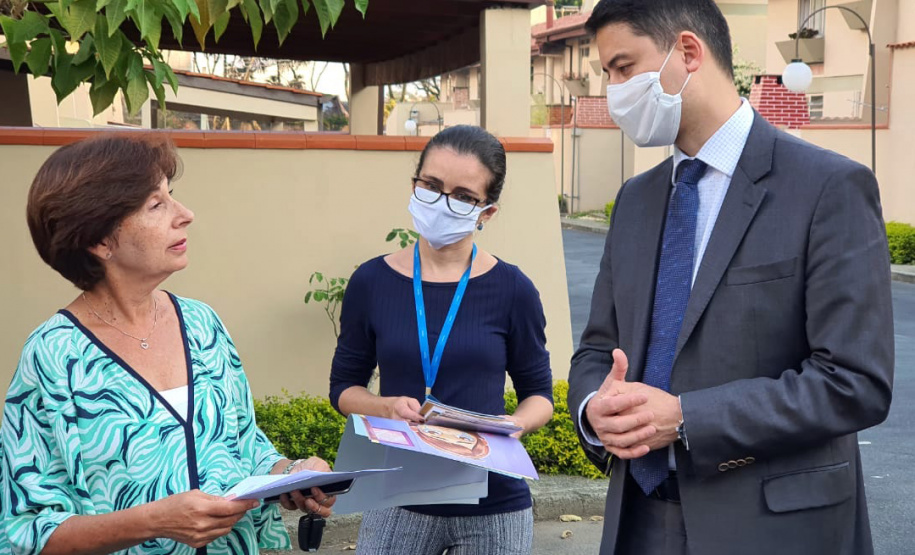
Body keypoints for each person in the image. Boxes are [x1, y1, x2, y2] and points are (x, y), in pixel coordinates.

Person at [567, 1, 894, 554]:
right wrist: (593, 411)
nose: (613, 90)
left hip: (774, 527)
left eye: (623, 68)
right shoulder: (635, 200)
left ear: (688, 53)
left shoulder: (827, 188)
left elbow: (855, 382)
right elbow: (598, 349)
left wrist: (687, 417)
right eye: (607, 75)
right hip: (639, 521)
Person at [1, 134, 336, 555]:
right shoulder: (53, 356)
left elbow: (243, 445)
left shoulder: (202, 324)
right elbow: (27, 529)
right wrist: (154, 521)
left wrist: (294, 474)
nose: (186, 215)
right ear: (100, 241)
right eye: (156, 205)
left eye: (171, 196)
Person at [329, 125, 554, 555]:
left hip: (495, 504)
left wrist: (514, 425)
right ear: (414, 186)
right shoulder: (371, 282)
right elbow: (343, 389)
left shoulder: (513, 290)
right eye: (431, 186)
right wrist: (385, 407)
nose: (442, 202)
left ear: (486, 213)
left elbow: (539, 394)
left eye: (463, 196)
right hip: (397, 497)